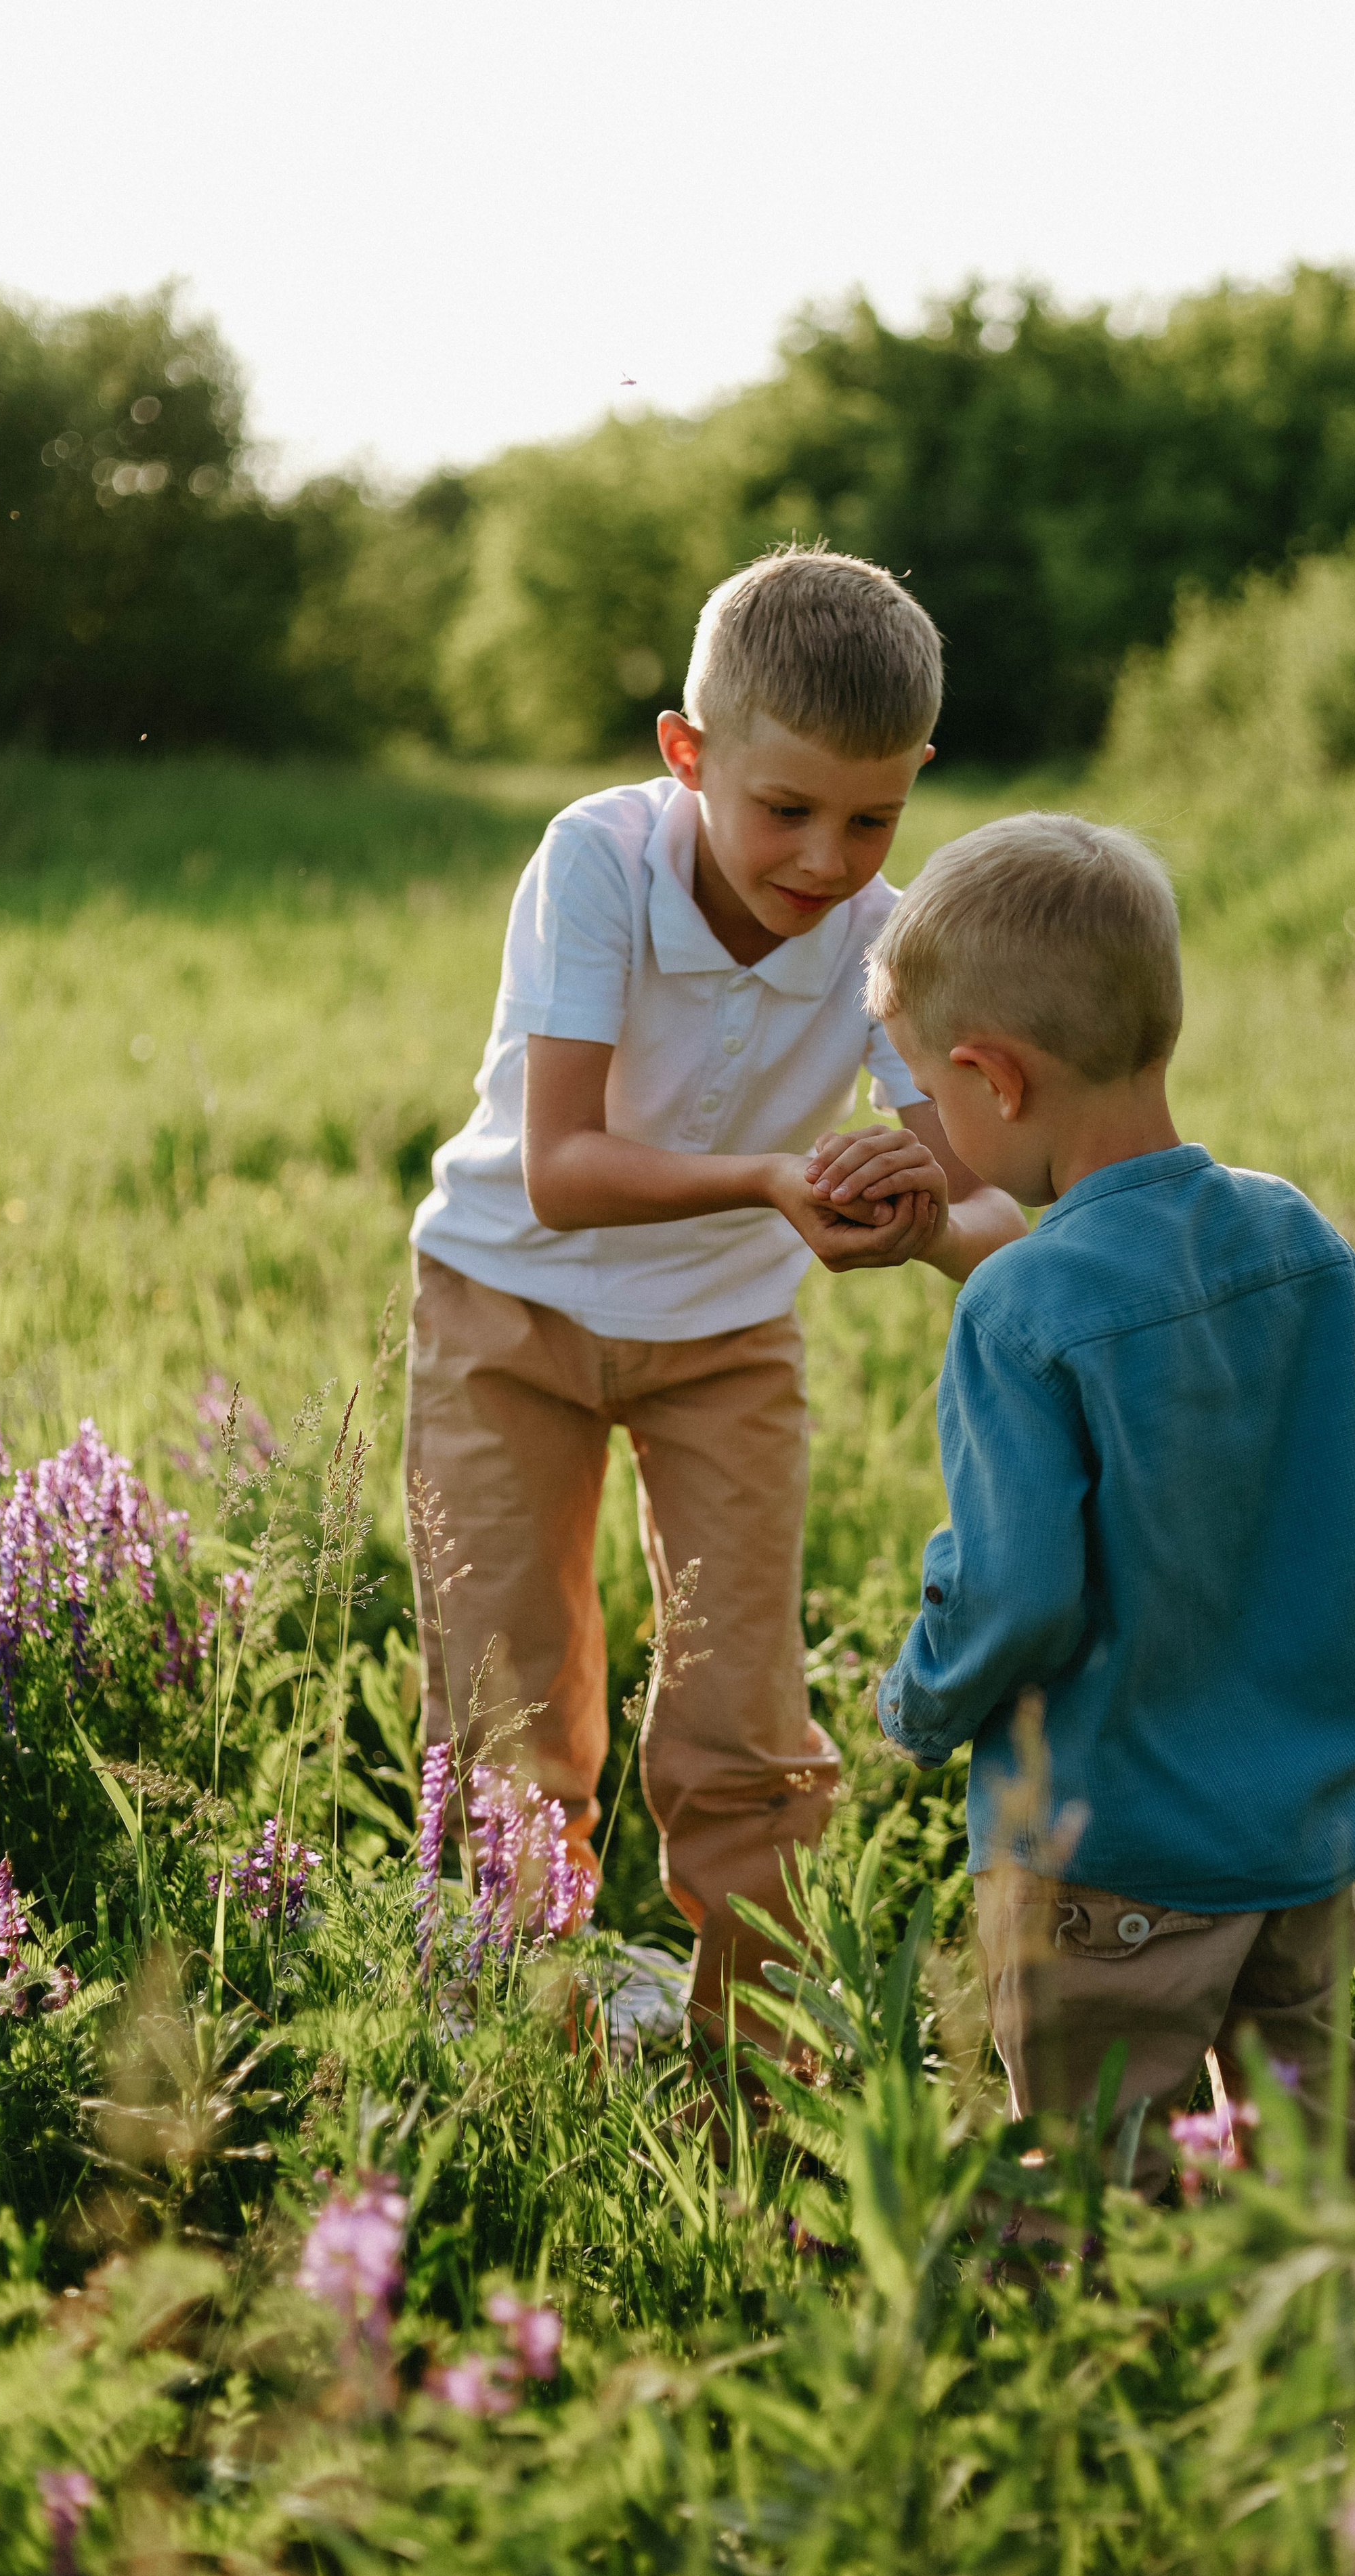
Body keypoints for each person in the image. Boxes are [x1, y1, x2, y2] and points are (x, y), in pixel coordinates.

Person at [404, 546, 1027, 2038]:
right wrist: (770, 1178)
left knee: (738, 1712)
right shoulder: (595, 863)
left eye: (872, 818)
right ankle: (503, 2032)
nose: (825, 859)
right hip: (508, 1310)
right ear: (688, 756)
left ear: (916, 781)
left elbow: (981, 1191)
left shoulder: (883, 936)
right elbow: (561, 1168)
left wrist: (917, 1219)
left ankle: (752, 2061)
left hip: (724, 1342)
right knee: (510, 1695)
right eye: (786, 811)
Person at [863, 812, 1355, 2202]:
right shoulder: (1293, 1237)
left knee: (1081, 2173)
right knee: (1323, 2144)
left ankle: (1100, 2403)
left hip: (1102, 1849)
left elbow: (1018, 1593)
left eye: (925, 1093)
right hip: (1300, 1823)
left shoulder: (1022, 1305)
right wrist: (1322, 1643)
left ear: (990, 1079)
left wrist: (916, 1705)